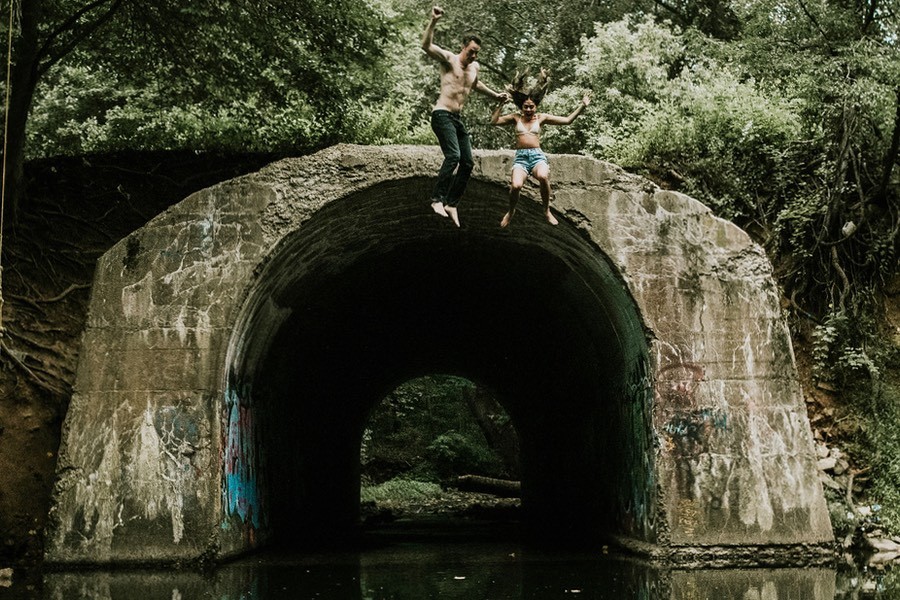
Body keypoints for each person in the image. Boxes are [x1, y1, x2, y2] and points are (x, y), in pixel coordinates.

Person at [422, 6, 508, 227]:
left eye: (476, 52)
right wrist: (433, 21)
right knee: (454, 156)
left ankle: (452, 204)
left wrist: (495, 95)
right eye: (471, 51)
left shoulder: (474, 68)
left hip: (457, 119)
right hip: (441, 115)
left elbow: (476, 85)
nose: (474, 55)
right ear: (463, 47)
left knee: (468, 162)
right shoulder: (449, 60)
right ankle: (436, 200)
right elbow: (426, 46)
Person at [490, 70, 591, 227]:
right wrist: (501, 104)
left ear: (536, 106)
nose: (529, 110)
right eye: (526, 107)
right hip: (521, 158)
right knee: (516, 186)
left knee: (543, 176)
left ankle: (546, 210)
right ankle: (511, 211)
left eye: (531, 107)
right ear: (521, 107)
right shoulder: (515, 118)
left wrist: (582, 106)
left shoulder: (542, 118)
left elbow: (567, 120)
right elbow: (494, 121)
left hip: (537, 157)